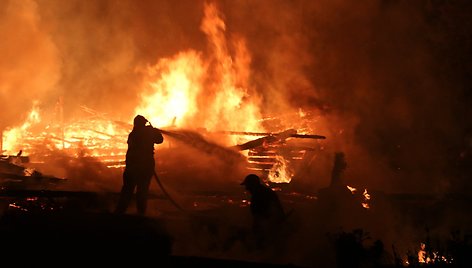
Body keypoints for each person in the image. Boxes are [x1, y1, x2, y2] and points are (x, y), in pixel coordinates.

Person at [115, 115, 164, 216]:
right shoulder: (147, 134)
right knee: (142, 191)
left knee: (127, 190)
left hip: (131, 167)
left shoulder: (132, 134)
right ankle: (140, 214)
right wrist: (154, 131)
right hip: (144, 167)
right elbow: (160, 139)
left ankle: (119, 213)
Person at [240, 174, 286, 247]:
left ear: (252, 185)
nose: (246, 188)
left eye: (247, 185)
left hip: (270, 228)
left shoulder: (259, 195)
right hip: (273, 225)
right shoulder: (263, 192)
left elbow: (260, 216)